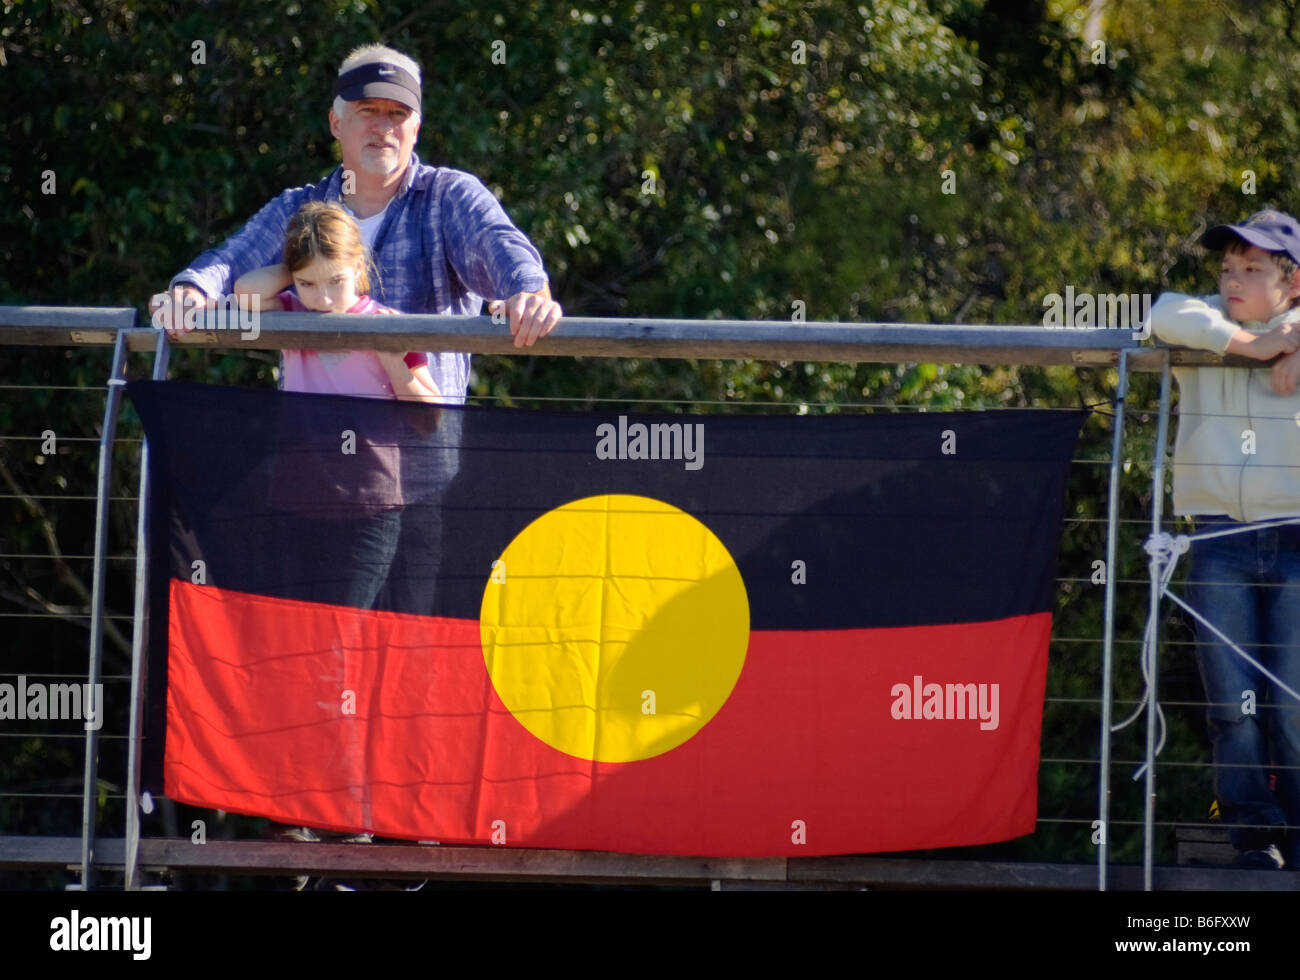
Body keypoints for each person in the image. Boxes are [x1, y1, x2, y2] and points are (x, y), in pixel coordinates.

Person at [150, 42, 562, 397]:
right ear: (335, 122)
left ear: (415, 129)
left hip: (417, 461)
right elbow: (232, 259)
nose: (383, 127)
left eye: (398, 114)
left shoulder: (448, 196)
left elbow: (501, 247)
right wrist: (190, 292)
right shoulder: (301, 207)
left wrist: (529, 294)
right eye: (368, 110)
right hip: (311, 459)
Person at [1149, 208, 1300, 869]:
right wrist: (1255, 347)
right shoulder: (1204, 327)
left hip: (1295, 541)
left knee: (1294, 708)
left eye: (1253, 268)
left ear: (1291, 282)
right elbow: (1162, 311)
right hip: (1218, 544)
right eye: (1228, 267)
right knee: (1232, 708)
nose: (1234, 279)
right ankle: (1255, 841)